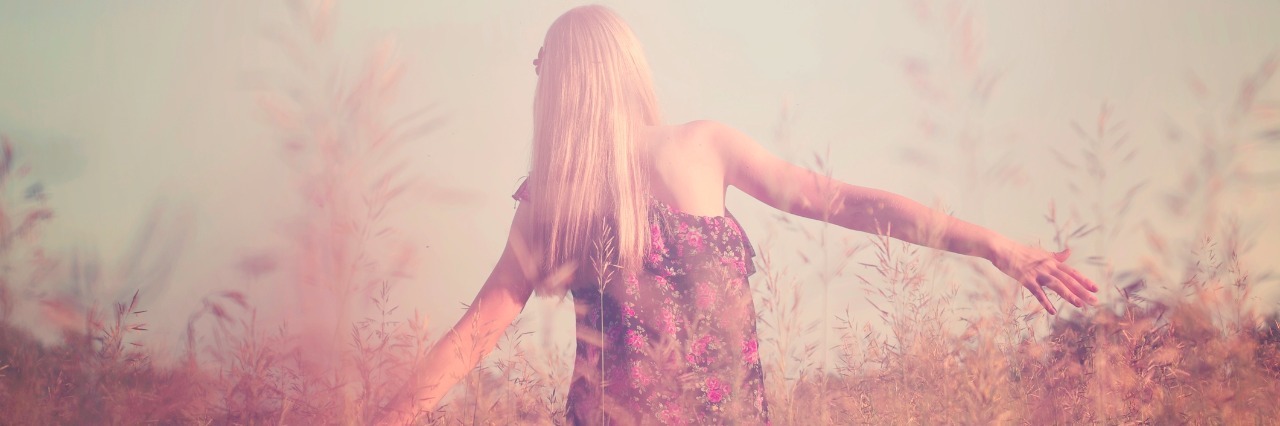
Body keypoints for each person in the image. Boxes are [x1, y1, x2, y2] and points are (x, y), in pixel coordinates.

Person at [382, 5, 1098, 425]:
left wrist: (385, 416)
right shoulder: (693, 149)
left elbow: (472, 338)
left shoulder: (559, 192)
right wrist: (996, 245)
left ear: (565, 86)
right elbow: (851, 204)